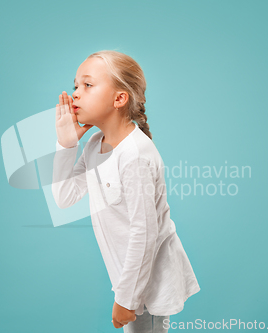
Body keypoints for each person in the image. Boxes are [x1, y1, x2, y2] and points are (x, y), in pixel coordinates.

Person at [52, 50, 200, 333]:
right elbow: (64, 198)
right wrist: (66, 144)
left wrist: (126, 299)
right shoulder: (96, 143)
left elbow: (143, 234)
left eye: (87, 85)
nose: (76, 94)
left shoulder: (135, 156)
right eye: (75, 86)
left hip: (149, 284)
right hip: (128, 279)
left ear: (119, 99)